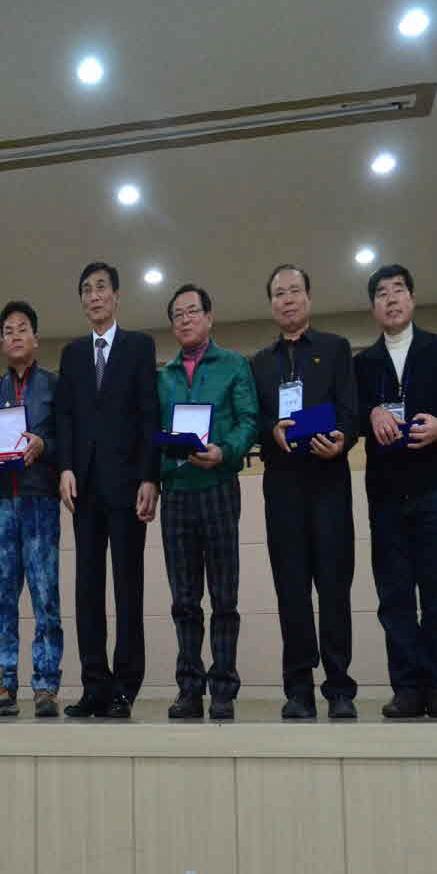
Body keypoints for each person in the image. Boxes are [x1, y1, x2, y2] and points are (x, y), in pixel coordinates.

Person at [355, 265, 437, 720]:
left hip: (435, 488)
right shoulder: (363, 362)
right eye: (381, 294)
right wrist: (371, 412)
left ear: (412, 299)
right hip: (385, 495)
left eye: (398, 290)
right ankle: (405, 688)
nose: (391, 299)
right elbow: (350, 411)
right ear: (373, 308)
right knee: (394, 596)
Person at [250, 265, 359, 720]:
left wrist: (343, 440)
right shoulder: (259, 362)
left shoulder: (335, 349)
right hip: (283, 488)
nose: (287, 299)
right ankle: (298, 690)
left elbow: (352, 410)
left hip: (329, 483)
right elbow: (253, 420)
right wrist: (269, 430)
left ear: (309, 298)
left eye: (295, 291)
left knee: (334, 588)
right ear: (271, 304)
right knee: (291, 591)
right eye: (279, 293)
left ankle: (339, 689)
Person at [56, 262, 159, 719]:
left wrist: (150, 477)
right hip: (84, 486)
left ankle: (125, 687)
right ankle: (94, 685)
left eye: (101, 288)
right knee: (88, 588)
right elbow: (64, 416)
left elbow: (149, 413)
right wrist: (65, 467)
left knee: (127, 586)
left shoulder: (139, 346)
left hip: (127, 483)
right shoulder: (72, 354)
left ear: (117, 296)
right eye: (86, 289)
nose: (94, 295)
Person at [158, 284, 258, 720]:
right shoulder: (162, 376)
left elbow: (249, 420)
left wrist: (225, 450)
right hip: (176, 492)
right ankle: (188, 688)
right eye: (177, 315)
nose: (185, 320)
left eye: (192, 311)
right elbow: (151, 432)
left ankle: (223, 689)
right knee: (183, 599)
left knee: (223, 597)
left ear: (209, 317)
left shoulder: (234, 365)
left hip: (218, 486)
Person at [0, 301, 63, 718]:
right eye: (8, 330)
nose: (15, 336)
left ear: (36, 338)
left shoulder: (54, 386)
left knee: (45, 595)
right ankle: (2, 682)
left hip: (40, 499)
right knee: (2, 595)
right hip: (1, 504)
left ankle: (46, 686)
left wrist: (45, 446)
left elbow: (67, 438)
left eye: (22, 328)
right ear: (2, 342)